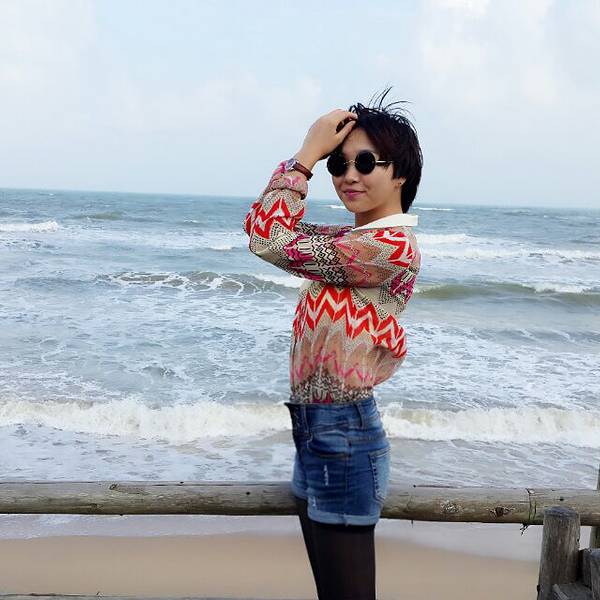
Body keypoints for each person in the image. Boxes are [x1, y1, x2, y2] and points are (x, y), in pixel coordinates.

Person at [243, 86, 423, 600]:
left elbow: (268, 240)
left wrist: (306, 154)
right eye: (337, 164)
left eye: (366, 162)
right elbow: (261, 226)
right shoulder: (347, 240)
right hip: (314, 429)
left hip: (344, 435)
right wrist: (306, 160)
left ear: (400, 174)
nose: (348, 176)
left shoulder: (389, 247)